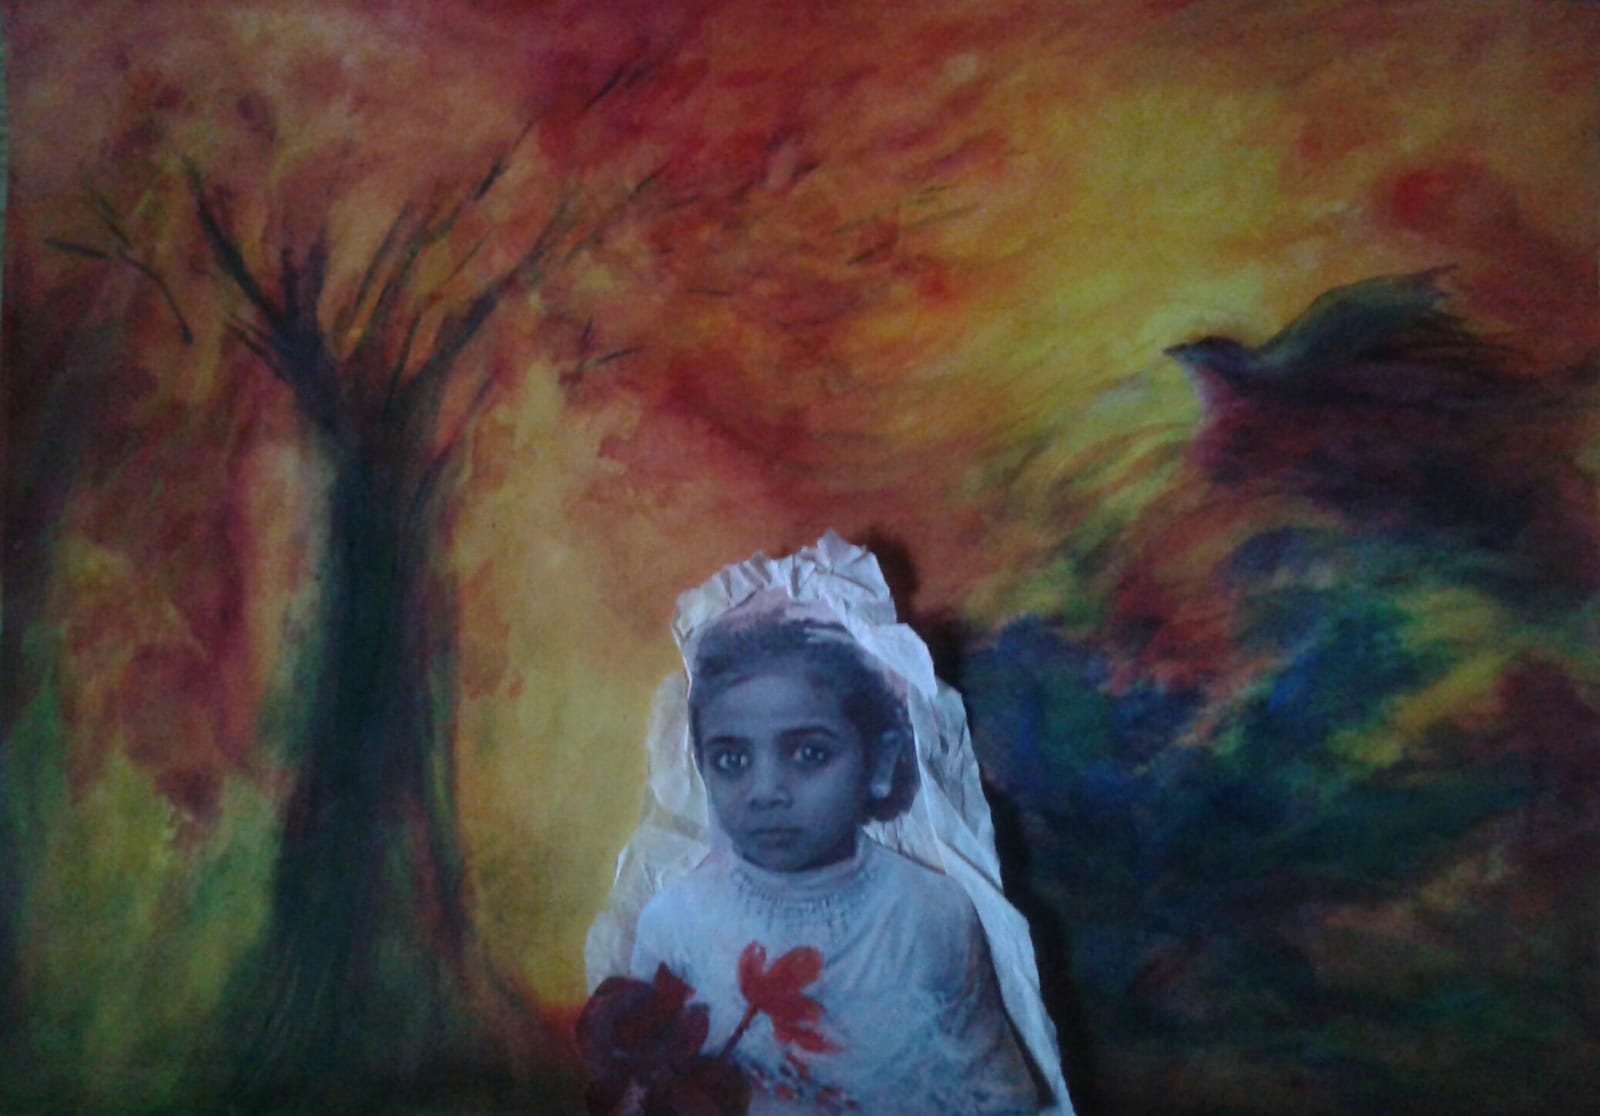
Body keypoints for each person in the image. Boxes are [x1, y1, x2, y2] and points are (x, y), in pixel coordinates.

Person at [585, 533, 1074, 1115]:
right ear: (700, 765)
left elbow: (998, 1098)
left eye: (809, 753)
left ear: (880, 762)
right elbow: (641, 1088)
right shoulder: (676, 921)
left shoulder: (926, 916)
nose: (766, 791)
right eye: (732, 759)